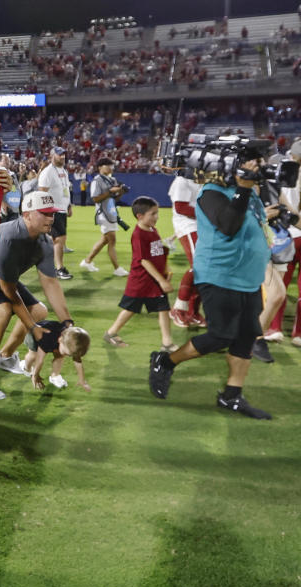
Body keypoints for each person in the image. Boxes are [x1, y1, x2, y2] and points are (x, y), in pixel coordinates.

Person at [149, 146, 282, 419]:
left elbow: (253, 222)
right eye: (253, 162)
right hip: (220, 275)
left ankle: (231, 396)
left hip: (247, 277)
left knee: (246, 335)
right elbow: (229, 225)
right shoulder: (211, 193)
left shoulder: (251, 192)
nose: (258, 167)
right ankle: (165, 361)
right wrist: (244, 188)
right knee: (221, 335)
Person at [0, 191, 74, 400]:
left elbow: (51, 284)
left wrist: (68, 324)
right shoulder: (8, 238)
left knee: (39, 310)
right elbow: (9, 291)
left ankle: (5, 356)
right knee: (2, 311)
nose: (51, 218)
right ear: (26, 215)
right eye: (44, 213)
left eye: (52, 213)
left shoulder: (44, 242)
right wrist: (33, 329)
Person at [102, 196, 175, 351]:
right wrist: (161, 280)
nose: (156, 217)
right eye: (153, 214)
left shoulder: (152, 229)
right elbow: (144, 260)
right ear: (140, 216)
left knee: (163, 308)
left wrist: (166, 270)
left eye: (157, 213)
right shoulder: (139, 234)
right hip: (141, 281)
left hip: (154, 280)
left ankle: (167, 342)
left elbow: (158, 252)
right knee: (130, 309)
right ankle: (111, 332)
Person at [267, 140, 301, 347]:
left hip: (286, 236)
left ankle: (274, 327)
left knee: (280, 283)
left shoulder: (279, 172)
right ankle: (298, 334)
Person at [166, 174, 207, 329]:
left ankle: (193, 311)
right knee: (199, 266)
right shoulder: (182, 180)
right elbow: (180, 207)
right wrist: (210, 215)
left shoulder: (204, 176)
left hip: (202, 224)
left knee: (205, 269)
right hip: (188, 225)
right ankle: (179, 308)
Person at [79, 158, 129, 276]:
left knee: (105, 240)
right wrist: (110, 192)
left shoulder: (112, 179)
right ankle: (117, 268)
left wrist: (121, 192)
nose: (110, 167)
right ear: (100, 167)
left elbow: (114, 199)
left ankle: (87, 261)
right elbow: (95, 198)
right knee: (112, 241)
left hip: (111, 211)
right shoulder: (97, 180)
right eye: (107, 165)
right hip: (103, 213)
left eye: (111, 165)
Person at [38, 146, 74, 279]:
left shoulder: (64, 171)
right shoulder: (48, 172)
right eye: (60, 155)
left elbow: (65, 189)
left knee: (56, 240)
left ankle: (51, 267)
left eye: (64, 154)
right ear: (52, 156)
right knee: (59, 239)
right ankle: (59, 268)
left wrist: (68, 206)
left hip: (62, 209)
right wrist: (45, 212)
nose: (63, 157)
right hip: (53, 210)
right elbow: (42, 192)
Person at [22, 322, 91, 391]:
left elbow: (78, 362)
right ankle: (27, 368)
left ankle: (54, 376)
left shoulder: (72, 343)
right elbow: (39, 360)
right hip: (35, 334)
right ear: (60, 340)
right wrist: (35, 376)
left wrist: (82, 380)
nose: (66, 356)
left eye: (69, 355)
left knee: (60, 356)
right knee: (33, 355)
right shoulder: (47, 340)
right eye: (65, 352)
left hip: (55, 338)